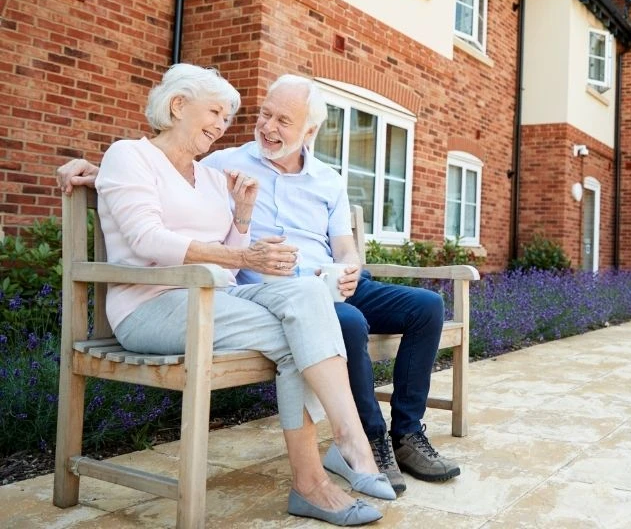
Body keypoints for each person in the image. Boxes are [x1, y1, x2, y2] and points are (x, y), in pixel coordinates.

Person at [58, 75, 460, 495]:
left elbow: (342, 242)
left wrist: (350, 267)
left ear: (309, 131)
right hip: (259, 291)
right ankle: (366, 441)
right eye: (264, 114)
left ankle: (406, 435)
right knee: (343, 323)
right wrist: (100, 171)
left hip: (325, 282)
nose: (268, 127)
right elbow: (158, 176)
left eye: (283, 120)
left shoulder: (323, 178)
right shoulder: (224, 162)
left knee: (426, 306)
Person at [91, 63, 390, 526]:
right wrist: (245, 258)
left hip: (215, 300)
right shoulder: (130, 156)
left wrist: (243, 220)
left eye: (228, 118)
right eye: (214, 112)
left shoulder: (211, 177)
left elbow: (228, 260)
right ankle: (328, 468)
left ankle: (344, 447)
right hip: (150, 306)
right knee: (301, 334)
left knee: (309, 296)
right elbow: (145, 239)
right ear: (177, 106)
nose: (222, 126)